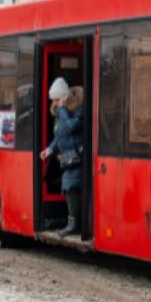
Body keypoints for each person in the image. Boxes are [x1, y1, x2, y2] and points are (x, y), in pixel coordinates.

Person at [39, 77, 86, 239]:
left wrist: (62, 109)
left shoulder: (77, 109)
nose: (56, 103)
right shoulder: (61, 112)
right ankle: (73, 222)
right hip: (67, 157)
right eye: (54, 100)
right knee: (68, 188)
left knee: (71, 187)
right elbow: (60, 134)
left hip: (78, 156)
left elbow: (70, 127)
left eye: (58, 99)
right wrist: (50, 149)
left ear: (64, 97)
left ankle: (74, 224)